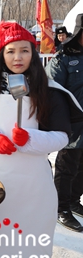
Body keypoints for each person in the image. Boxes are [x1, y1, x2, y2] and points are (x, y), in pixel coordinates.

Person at [0, 21, 83, 258]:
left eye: (24, 50)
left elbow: (62, 136)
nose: (17, 57)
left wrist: (30, 139)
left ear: (33, 53)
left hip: (32, 188)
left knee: (26, 247)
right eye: (10, 51)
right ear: (2, 55)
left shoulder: (50, 92)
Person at [46, 14, 83, 232]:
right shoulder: (63, 58)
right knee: (67, 166)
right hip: (72, 121)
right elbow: (53, 92)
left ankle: (73, 201)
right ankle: (60, 208)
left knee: (82, 166)